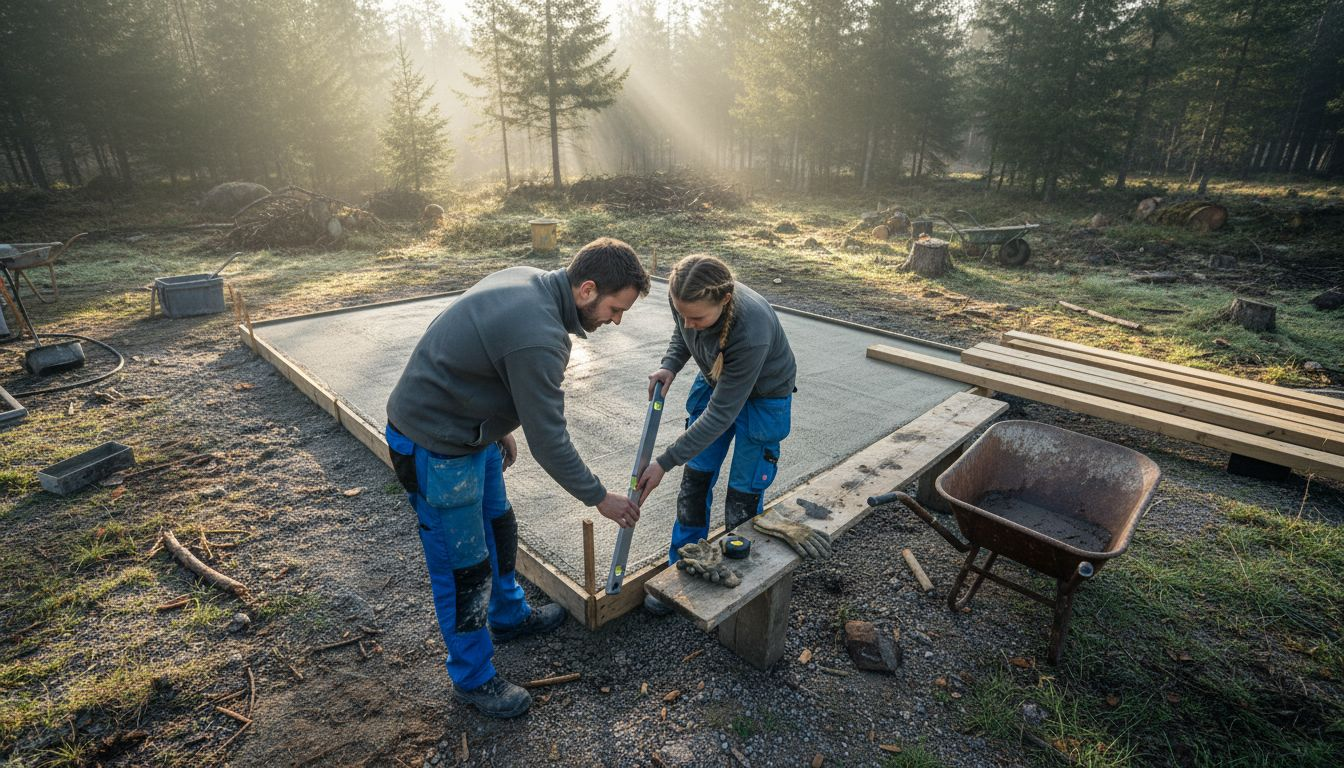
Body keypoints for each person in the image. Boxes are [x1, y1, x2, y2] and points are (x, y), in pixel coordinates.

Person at [385, 238, 650, 717]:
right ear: (587, 289)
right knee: (464, 569)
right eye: (615, 309)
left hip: (473, 432)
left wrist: (497, 425)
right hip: (436, 445)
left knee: (499, 525)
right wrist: (599, 497)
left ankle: (508, 615)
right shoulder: (541, 337)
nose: (616, 321)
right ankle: (472, 677)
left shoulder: (531, 279)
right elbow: (549, 442)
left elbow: (476, 351)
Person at [636, 254, 796, 615]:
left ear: (724, 301)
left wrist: (664, 462)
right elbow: (684, 333)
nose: (689, 324)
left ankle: (738, 580)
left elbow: (720, 415)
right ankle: (686, 565)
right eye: (683, 314)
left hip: (764, 396)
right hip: (715, 379)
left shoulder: (750, 330)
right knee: (694, 482)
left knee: (742, 499)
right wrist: (669, 365)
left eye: (698, 318)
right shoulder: (684, 297)